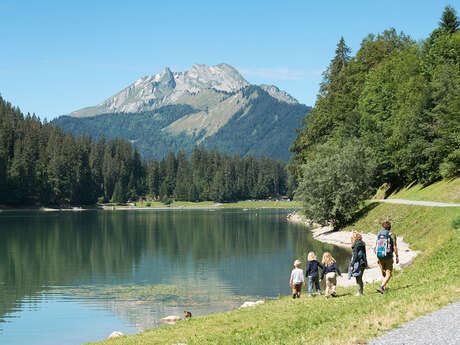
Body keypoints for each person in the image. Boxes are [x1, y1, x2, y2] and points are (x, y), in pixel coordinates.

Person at [375, 221, 399, 294]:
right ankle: (382, 286)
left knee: (383, 273)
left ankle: (383, 288)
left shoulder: (379, 234)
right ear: (390, 227)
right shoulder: (392, 235)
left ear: (383, 227)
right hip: (388, 256)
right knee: (389, 273)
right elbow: (394, 246)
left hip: (380, 255)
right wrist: (397, 256)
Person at [348, 231, 368, 296]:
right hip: (363, 262)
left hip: (358, 263)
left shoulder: (355, 245)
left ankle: (360, 292)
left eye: (351, 237)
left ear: (354, 238)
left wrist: (352, 264)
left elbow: (355, 255)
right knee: (360, 277)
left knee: (358, 278)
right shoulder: (362, 243)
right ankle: (360, 292)